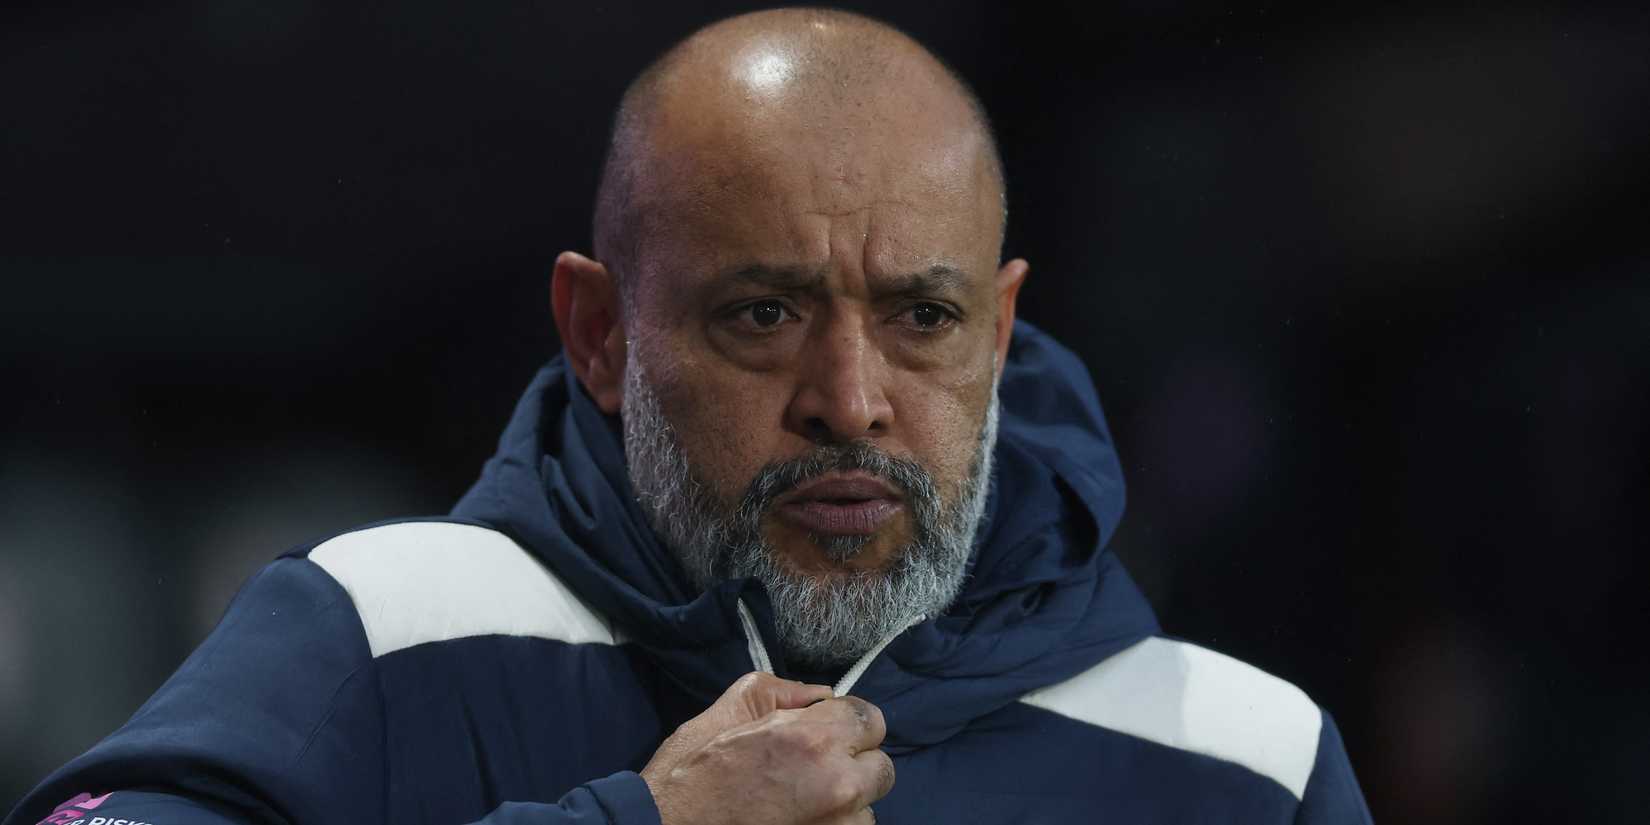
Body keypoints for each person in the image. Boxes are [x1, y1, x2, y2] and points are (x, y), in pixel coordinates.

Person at [6, 8, 1372, 825]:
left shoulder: (1240, 759)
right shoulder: (384, 629)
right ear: (602, 335)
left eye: (922, 318)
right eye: (762, 315)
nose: (849, 402)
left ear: (1000, 331)